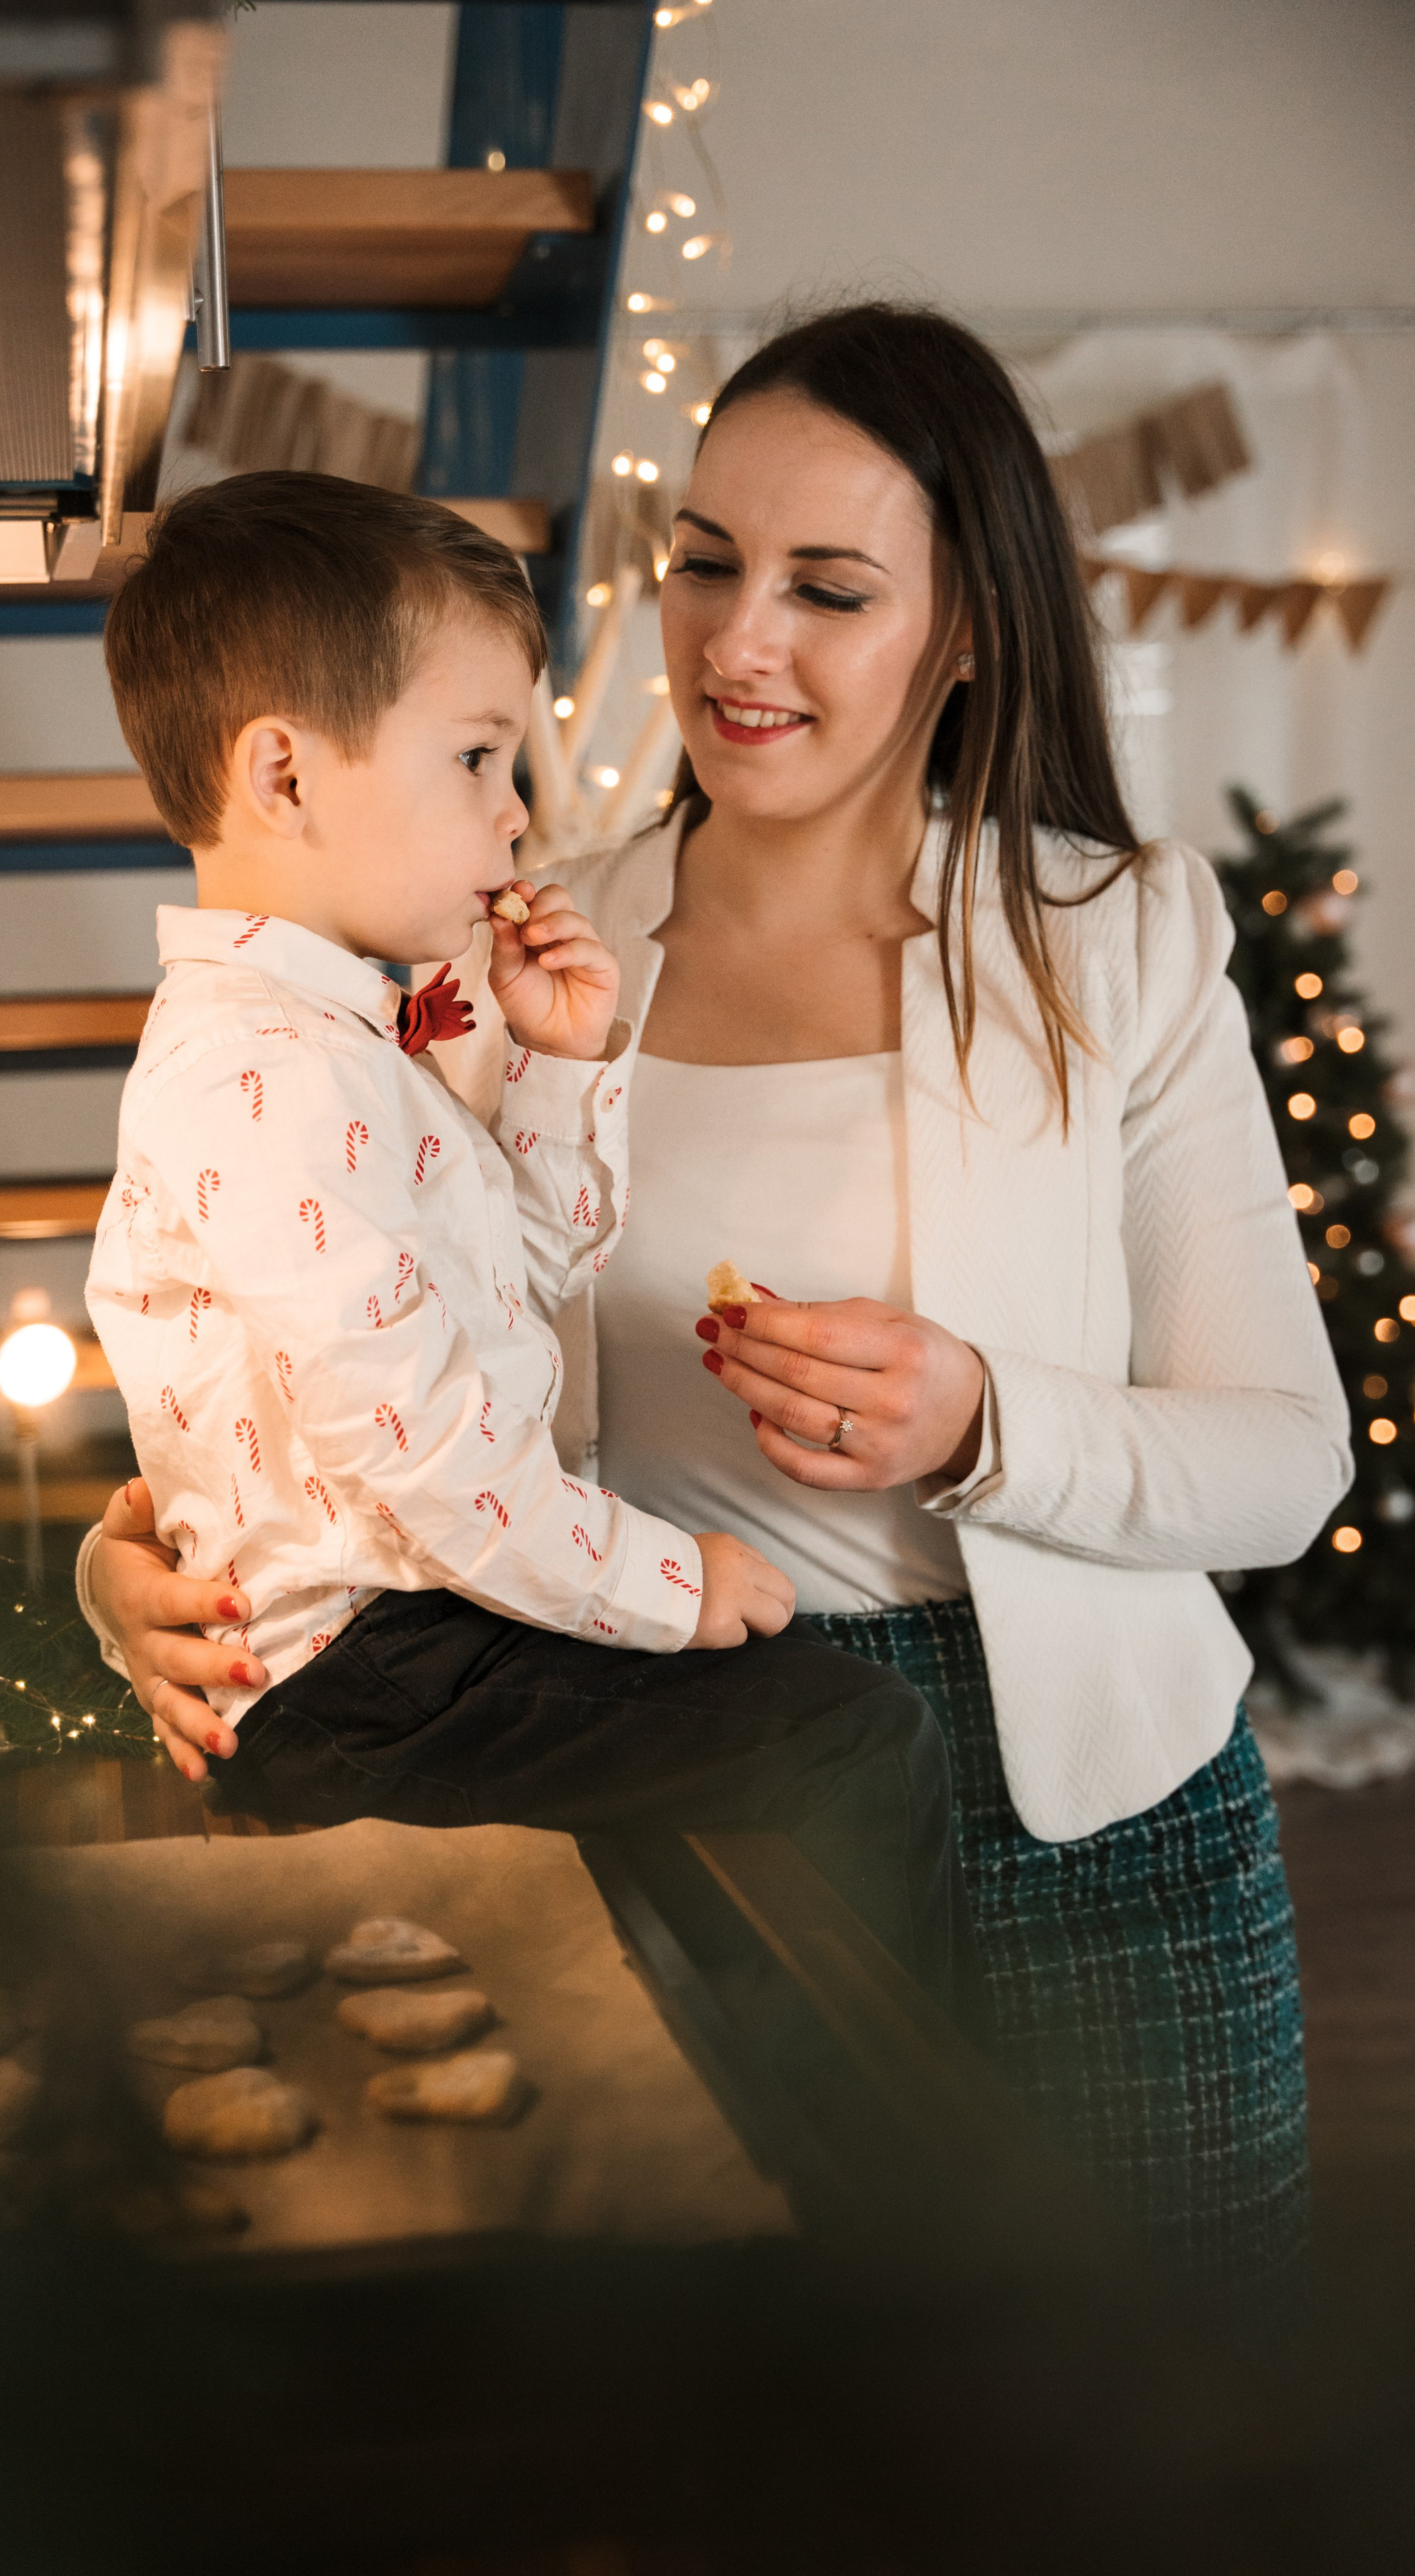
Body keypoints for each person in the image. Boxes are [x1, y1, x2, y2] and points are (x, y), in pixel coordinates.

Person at [82, 310, 1350, 2282]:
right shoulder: (507, 921)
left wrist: (983, 1422)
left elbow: (1284, 1463)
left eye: (829, 591)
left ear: (966, 632)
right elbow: (323, 1305)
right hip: (662, 1774)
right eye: (704, 563)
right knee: (777, 2457)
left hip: (1099, 1823)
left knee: (1168, 2459)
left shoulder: (1121, 938)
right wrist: (133, 1557)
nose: (737, 645)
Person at [82, 468, 972, 2011]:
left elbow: (529, 1276)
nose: (516, 814)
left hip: (426, 1620)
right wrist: (659, 1580)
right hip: (368, 1669)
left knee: (789, 1740)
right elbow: (424, 1459)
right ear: (284, 778)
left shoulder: (341, 1035)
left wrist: (561, 1061)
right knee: (845, 1738)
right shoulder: (262, 1075)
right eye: (478, 758)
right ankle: (890, 2192)